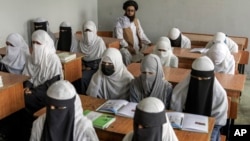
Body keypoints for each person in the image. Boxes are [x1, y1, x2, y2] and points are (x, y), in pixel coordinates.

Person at [170, 56, 228, 141]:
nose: (199, 81)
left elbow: (217, 124)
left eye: (204, 79)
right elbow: (175, 114)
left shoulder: (220, 94)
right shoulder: (180, 90)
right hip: (183, 127)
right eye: (196, 78)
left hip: (209, 130)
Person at [29, 80, 99, 141]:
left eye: (60, 108)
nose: (53, 110)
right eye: (50, 107)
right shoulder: (39, 123)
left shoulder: (83, 129)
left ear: (71, 107)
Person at [22, 30, 64, 114]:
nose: (35, 46)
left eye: (38, 43)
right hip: (33, 89)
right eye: (33, 42)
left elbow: (52, 83)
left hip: (48, 91)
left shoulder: (53, 59)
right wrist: (27, 86)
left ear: (46, 44)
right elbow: (28, 76)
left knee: (25, 100)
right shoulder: (31, 58)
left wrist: (34, 91)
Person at [114, 0, 152, 66]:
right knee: (124, 52)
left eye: (132, 11)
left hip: (137, 48)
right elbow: (119, 38)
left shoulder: (136, 21)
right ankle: (129, 69)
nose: (130, 13)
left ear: (135, 11)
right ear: (125, 10)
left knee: (149, 48)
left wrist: (149, 42)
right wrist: (128, 47)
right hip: (127, 49)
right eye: (128, 10)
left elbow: (141, 34)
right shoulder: (120, 21)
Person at [76, 20, 106, 94]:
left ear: (94, 31)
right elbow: (79, 57)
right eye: (86, 31)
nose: (88, 34)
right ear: (83, 32)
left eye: (90, 31)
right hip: (83, 67)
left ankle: (84, 97)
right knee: (73, 77)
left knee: (82, 78)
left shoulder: (99, 42)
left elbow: (103, 60)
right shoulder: (81, 43)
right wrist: (82, 66)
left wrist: (90, 67)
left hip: (96, 68)